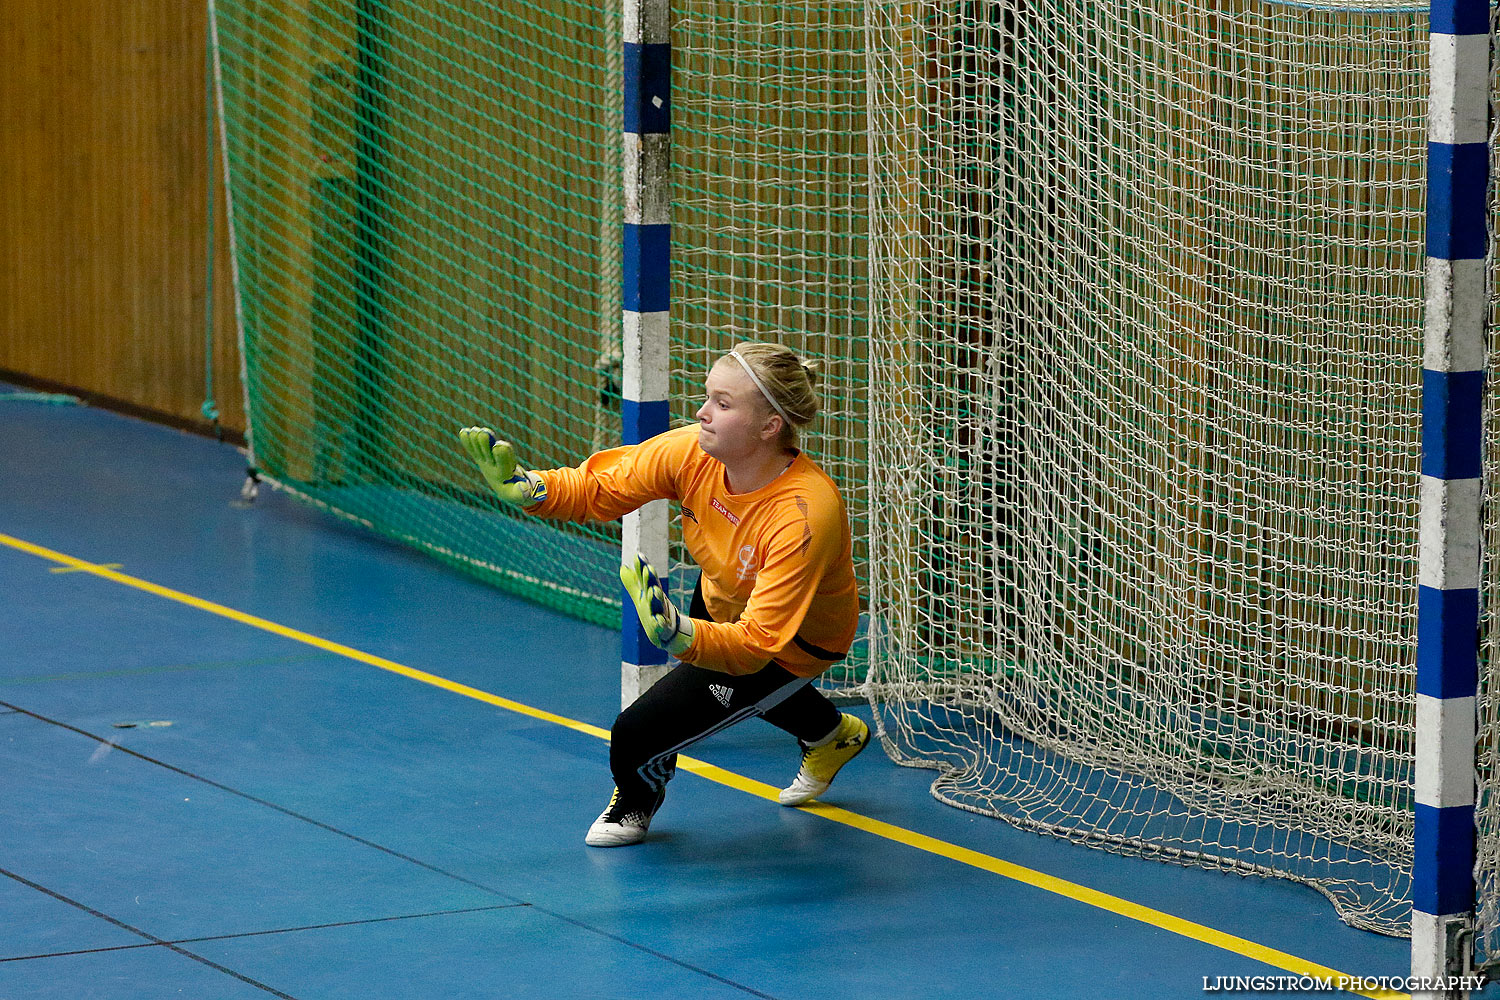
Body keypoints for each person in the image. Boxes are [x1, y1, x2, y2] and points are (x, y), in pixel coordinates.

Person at [458, 342, 869, 847]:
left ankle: (636, 799)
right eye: (706, 396)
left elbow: (759, 642)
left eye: (722, 402)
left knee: (636, 733)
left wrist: (682, 637)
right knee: (739, 694)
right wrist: (533, 489)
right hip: (723, 593)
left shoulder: (804, 515)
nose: (702, 412)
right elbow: (603, 486)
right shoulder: (694, 451)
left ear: (769, 427)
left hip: (793, 642)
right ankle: (832, 734)